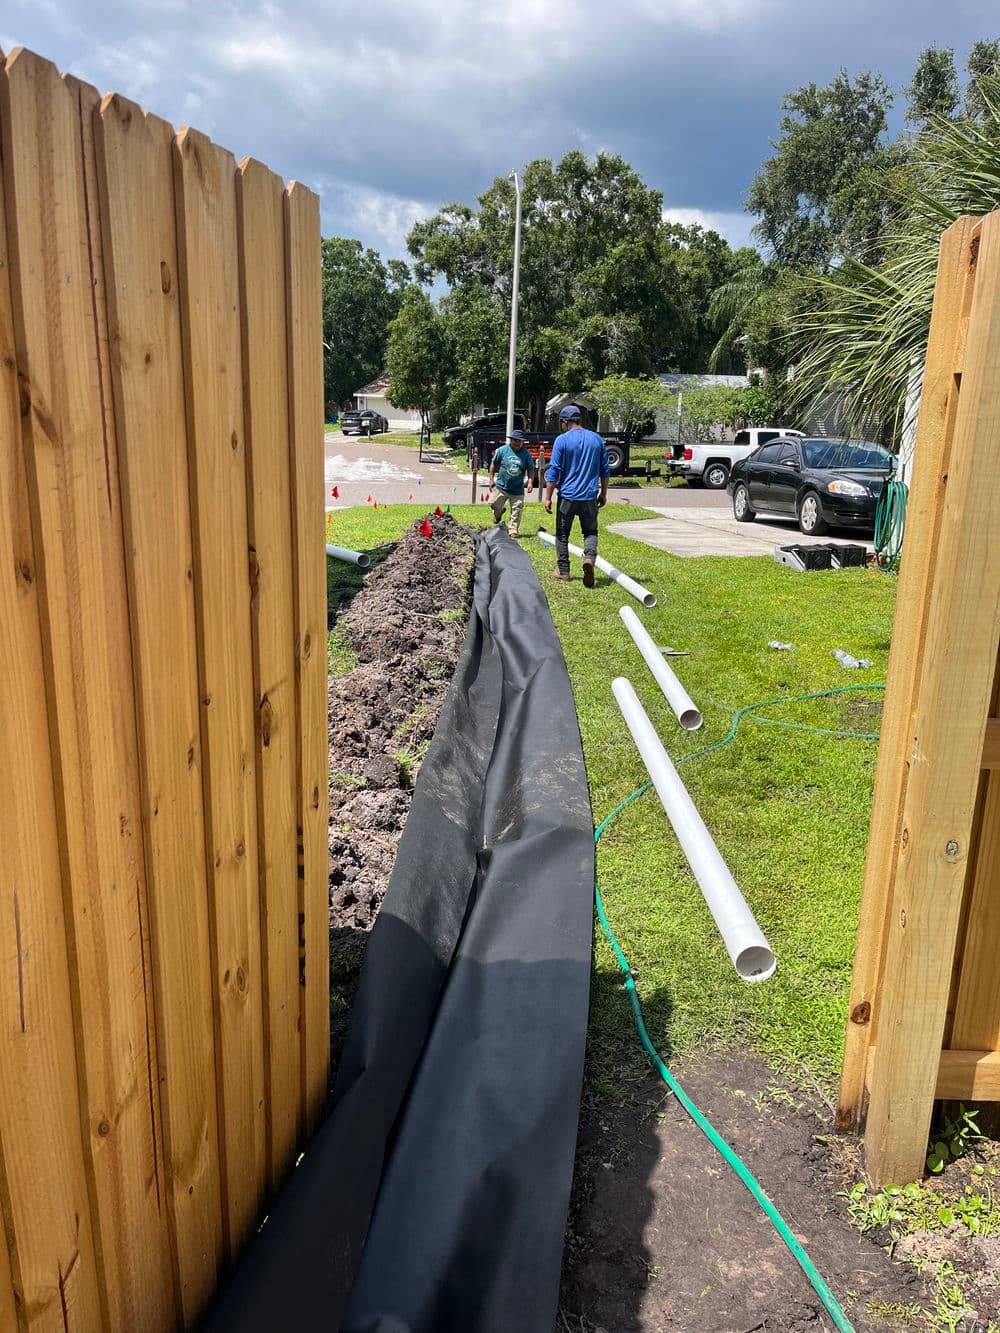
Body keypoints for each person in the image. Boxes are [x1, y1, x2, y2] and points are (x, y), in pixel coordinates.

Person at [544, 404, 610, 586]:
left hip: (568, 496)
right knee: (590, 532)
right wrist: (603, 493)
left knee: (562, 535)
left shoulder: (562, 440)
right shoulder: (596, 439)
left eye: (561, 423)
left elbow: (554, 470)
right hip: (589, 496)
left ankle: (564, 572)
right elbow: (605, 470)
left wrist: (548, 497)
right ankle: (589, 559)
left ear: (565, 422)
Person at [488, 428, 536, 537]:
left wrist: (530, 482)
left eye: (520, 441)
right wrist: (491, 479)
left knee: (517, 509)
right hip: (501, 487)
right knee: (492, 503)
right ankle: (498, 513)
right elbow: (493, 463)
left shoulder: (526, 454)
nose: (518, 443)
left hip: (517, 489)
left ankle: (513, 529)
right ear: (511, 440)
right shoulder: (502, 450)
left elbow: (530, 469)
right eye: (516, 440)